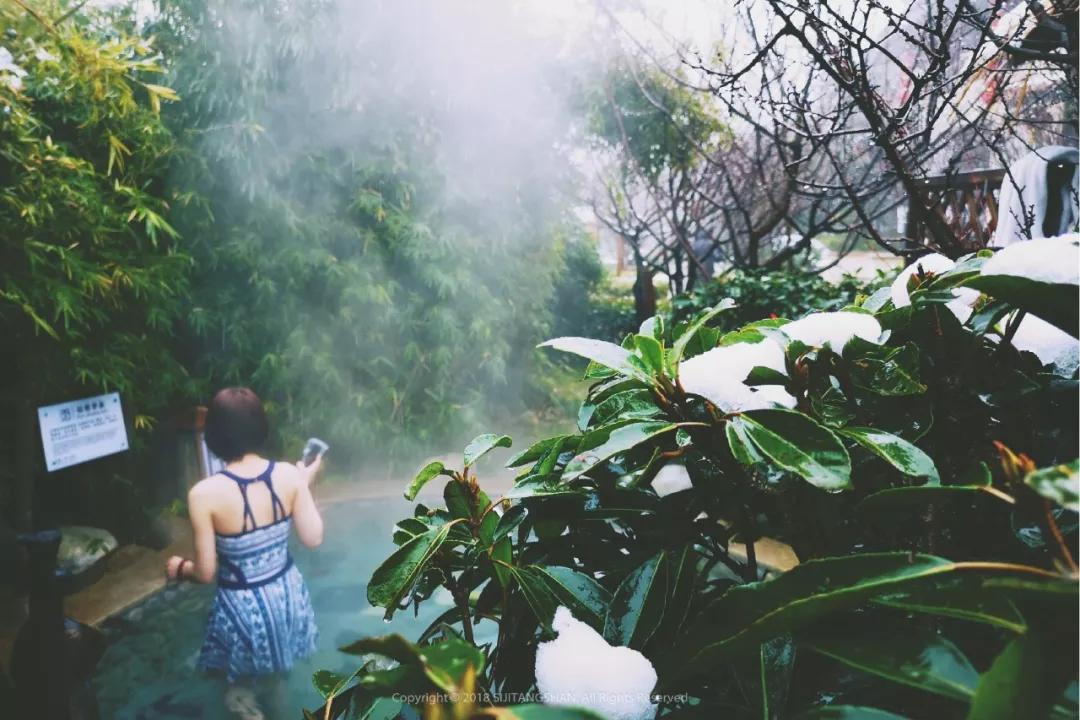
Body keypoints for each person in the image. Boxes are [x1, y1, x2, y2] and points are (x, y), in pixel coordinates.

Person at [165, 387, 323, 719]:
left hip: (242, 608)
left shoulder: (204, 494)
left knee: (237, 688)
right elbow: (313, 538)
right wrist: (303, 482)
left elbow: (206, 572)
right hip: (286, 597)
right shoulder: (289, 476)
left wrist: (180, 568)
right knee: (275, 677)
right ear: (261, 428)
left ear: (214, 437)